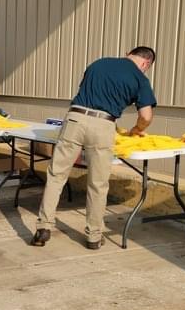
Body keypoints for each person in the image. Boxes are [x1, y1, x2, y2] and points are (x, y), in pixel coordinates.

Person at [32, 46, 158, 250]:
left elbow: (86, 90)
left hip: (75, 119)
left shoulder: (99, 63)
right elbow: (146, 116)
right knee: (98, 184)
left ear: (129, 54)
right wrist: (136, 129)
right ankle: (93, 236)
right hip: (103, 125)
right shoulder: (140, 78)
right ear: (146, 63)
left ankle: (43, 228)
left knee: (56, 176)